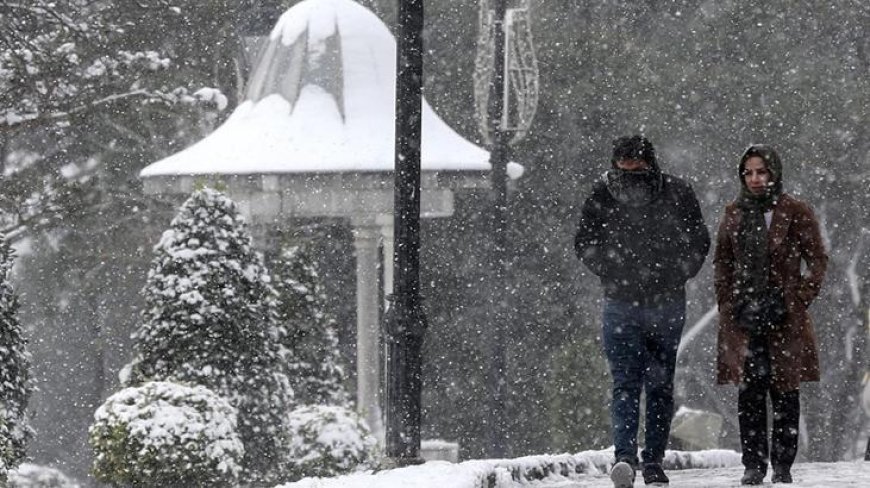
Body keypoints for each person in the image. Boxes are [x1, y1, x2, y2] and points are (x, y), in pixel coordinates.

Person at [575, 135, 710, 487]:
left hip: (655, 301)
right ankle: (632, 458)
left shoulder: (675, 194)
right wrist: (616, 270)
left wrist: (671, 272)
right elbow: (585, 242)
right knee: (635, 383)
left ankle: (645, 458)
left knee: (648, 384)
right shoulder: (606, 194)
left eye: (635, 167)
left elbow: (698, 241)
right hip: (629, 300)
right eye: (625, 167)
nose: (630, 175)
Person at [714, 144, 828, 485]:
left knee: (785, 392)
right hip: (745, 318)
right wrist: (729, 304)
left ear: (774, 173)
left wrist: (797, 298)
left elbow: (818, 260)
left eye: (761, 171)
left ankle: (782, 466)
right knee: (749, 394)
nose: (755, 179)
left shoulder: (795, 210)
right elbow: (723, 263)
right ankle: (753, 465)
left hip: (784, 318)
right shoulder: (734, 212)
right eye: (748, 172)